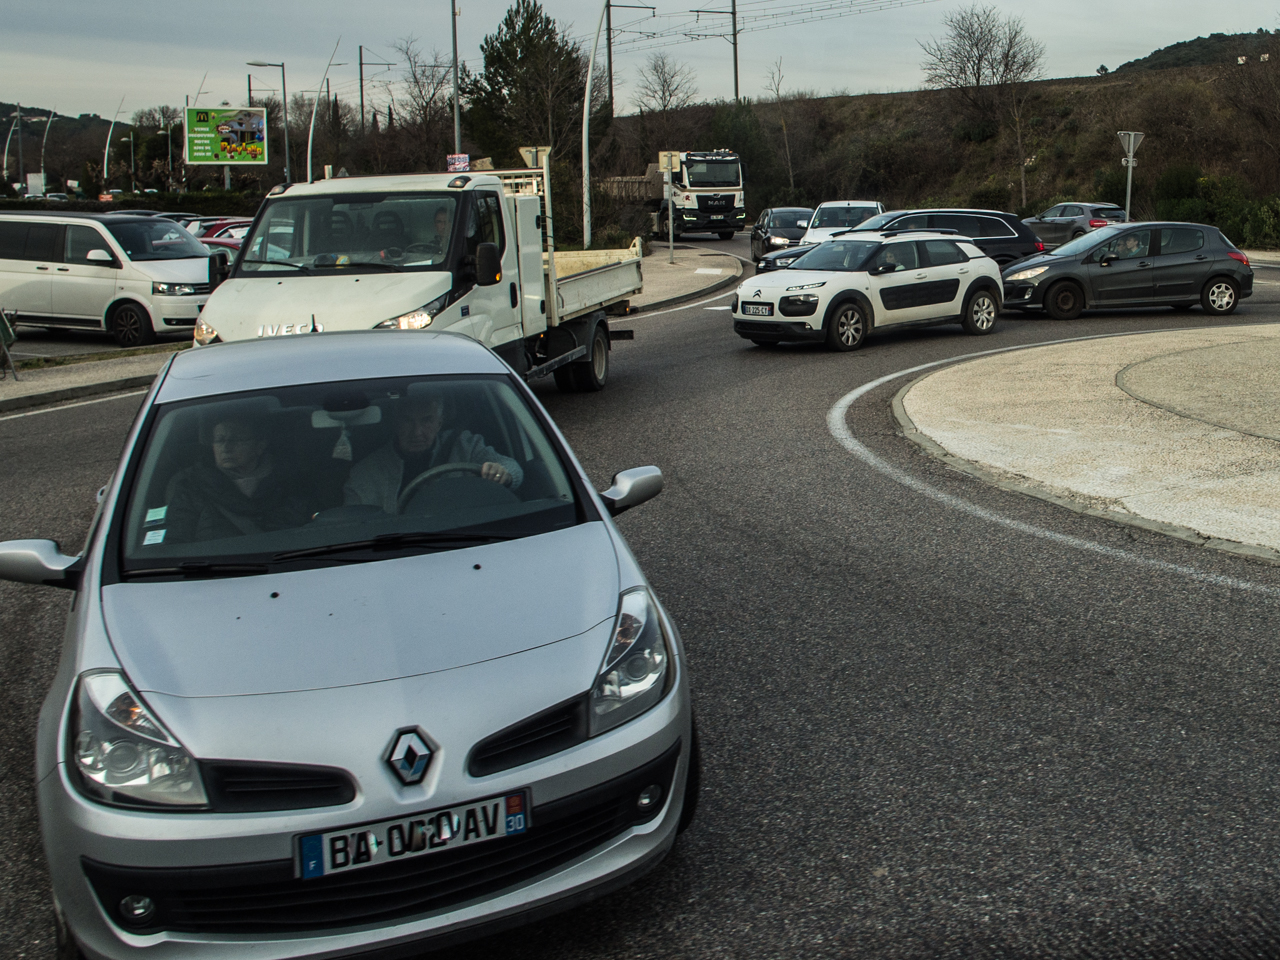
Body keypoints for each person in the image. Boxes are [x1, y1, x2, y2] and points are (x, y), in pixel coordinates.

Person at [344, 391, 523, 514]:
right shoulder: (366, 473)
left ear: (439, 422)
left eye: (427, 420)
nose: (417, 432)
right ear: (395, 423)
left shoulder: (466, 446)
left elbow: (512, 468)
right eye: (408, 421)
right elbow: (358, 525)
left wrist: (501, 474)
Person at [166, 414, 312, 542]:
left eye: (237, 440)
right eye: (219, 440)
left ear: (259, 446)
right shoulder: (191, 487)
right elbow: (177, 543)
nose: (226, 447)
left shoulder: (291, 482)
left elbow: (312, 530)